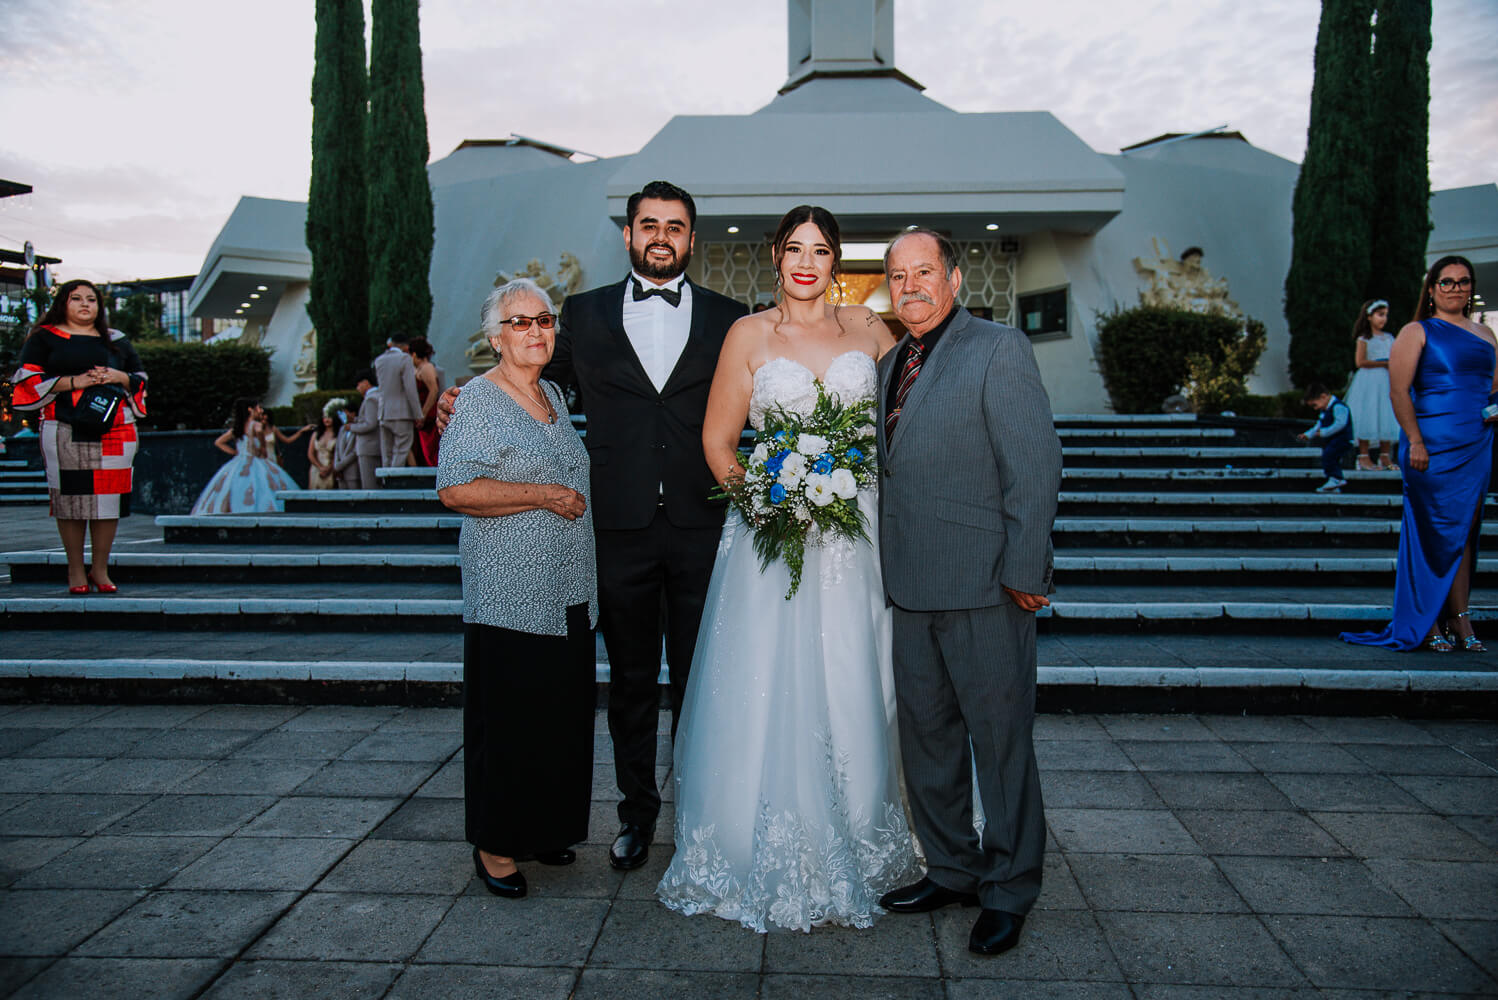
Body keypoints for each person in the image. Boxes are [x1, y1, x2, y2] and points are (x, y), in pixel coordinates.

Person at [438, 181, 748, 871]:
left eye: (675, 225)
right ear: (629, 234)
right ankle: (636, 818)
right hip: (615, 531)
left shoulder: (732, 319)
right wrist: (462, 395)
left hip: (703, 527)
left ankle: (702, 821)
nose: (661, 235)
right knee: (630, 686)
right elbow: (523, 374)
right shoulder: (580, 313)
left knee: (704, 684)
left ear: (691, 237)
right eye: (649, 224)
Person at [657, 206, 917, 932]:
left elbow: (910, 415)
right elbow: (718, 444)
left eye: (821, 250)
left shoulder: (869, 329)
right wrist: (769, 504)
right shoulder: (748, 335)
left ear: (837, 261)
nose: (807, 262)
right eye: (795, 248)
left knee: (858, 670)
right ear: (775, 254)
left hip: (859, 537)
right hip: (774, 540)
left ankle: (872, 824)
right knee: (768, 680)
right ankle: (756, 837)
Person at [874, 229, 1062, 957]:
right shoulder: (890, 363)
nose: (911, 286)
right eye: (898, 276)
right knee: (927, 741)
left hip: (987, 584)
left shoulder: (998, 347)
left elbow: (1034, 463)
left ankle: (1010, 888)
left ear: (953, 278)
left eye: (924, 272)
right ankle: (952, 868)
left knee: (1000, 743)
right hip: (910, 583)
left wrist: (1026, 568)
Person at [436, 277, 597, 899]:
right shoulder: (477, 400)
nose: (535, 331)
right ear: (495, 338)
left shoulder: (552, 393)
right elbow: (456, 489)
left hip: (568, 589)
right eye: (520, 322)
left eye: (544, 320)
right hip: (508, 593)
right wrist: (544, 494)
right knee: (509, 726)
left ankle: (545, 828)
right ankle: (496, 845)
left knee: (558, 721)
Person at [1343, 255, 1497, 652]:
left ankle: (1460, 618)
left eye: (1463, 281)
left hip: (1476, 443)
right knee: (1431, 531)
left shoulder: (1486, 335)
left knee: (1464, 531)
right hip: (1429, 446)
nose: (1456, 288)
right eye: (1447, 282)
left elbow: (1493, 388)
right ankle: (1425, 622)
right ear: (1431, 290)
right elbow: (1398, 391)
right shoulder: (1416, 331)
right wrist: (1414, 440)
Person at [10, 279, 148, 593]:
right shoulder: (44, 337)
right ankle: (75, 569)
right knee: (70, 500)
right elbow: (28, 380)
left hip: (117, 429)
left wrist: (118, 376)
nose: (85, 304)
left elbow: (140, 377)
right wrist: (76, 381)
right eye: (76, 298)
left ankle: (100, 570)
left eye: (91, 299)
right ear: (63, 303)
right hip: (65, 428)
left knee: (108, 502)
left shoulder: (116, 339)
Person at [190, 397, 305, 514]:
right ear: (250, 410)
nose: (260, 411)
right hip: (255, 461)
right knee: (262, 487)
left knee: (233, 488)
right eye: (258, 408)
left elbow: (218, 442)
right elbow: (259, 435)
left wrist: (235, 453)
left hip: (238, 462)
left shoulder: (237, 428)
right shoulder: (256, 425)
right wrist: (261, 446)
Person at [1346, 299, 1398, 470]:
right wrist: (1383, 363)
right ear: (1369, 317)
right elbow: (1360, 362)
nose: (1384, 319)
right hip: (1369, 381)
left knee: (1386, 414)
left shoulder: (1389, 338)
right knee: (1368, 414)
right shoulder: (1364, 339)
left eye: (1386, 315)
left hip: (1386, 381)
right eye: (1380, 315)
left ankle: (1385, 456)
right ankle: (1363, 456)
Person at [373, 333, 421, 470]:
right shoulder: (404, 359)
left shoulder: (379, 360)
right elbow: (410, 389)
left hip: (383, 412)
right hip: (401, 413)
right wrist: (418, 414)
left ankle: (386, 477)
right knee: (401, 448)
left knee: (387, 451)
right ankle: (394, 478)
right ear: (405, 347)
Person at [1296, 384, 1354, 493]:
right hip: (1333, 440)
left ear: (1323, 396)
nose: (1316, 408)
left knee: (1328, 456)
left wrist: (1325, 432)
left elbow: (1340, 424)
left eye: (1315, 405)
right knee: (1331, 457)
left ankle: (1336, 478)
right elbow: (1318, 425)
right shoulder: (1325, 410)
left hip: (1343, 439)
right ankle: (1334, 484)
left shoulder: (1338, 407)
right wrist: (1308, 434)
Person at [347, 369, 382, 490]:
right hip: (373, 446)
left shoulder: (371, 399)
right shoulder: (377, 396)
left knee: (370, 484)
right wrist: (356, 420)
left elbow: (370, 424)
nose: (358, 388)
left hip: (368, 447)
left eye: (358, 384)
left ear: (366, 383)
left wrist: (351, 427)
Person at [410, 335, 442, 466]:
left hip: (429, 413)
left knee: (430, 449)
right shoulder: (419, 369)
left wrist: (423, 414)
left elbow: (433, 391)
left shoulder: (427, 367)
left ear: (414, 354)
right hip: (424, 413)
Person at [306, 404, 339, 489]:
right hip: (316, 468)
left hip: (330, 468)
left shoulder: (338, 435)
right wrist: (320, 467)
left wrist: (329, 468)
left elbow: (337, 455)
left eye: (329, 417)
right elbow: (310, 454)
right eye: (325, 417)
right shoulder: (316, 434)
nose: (326, 420)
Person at [332, 399, 361, 490]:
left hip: (352, 472)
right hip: (340, 474)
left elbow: (355, 452)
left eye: (347, 412)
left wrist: (340, 466)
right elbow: (337, 449)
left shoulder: (358, 428)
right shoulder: (342, 429)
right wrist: (336, 466)